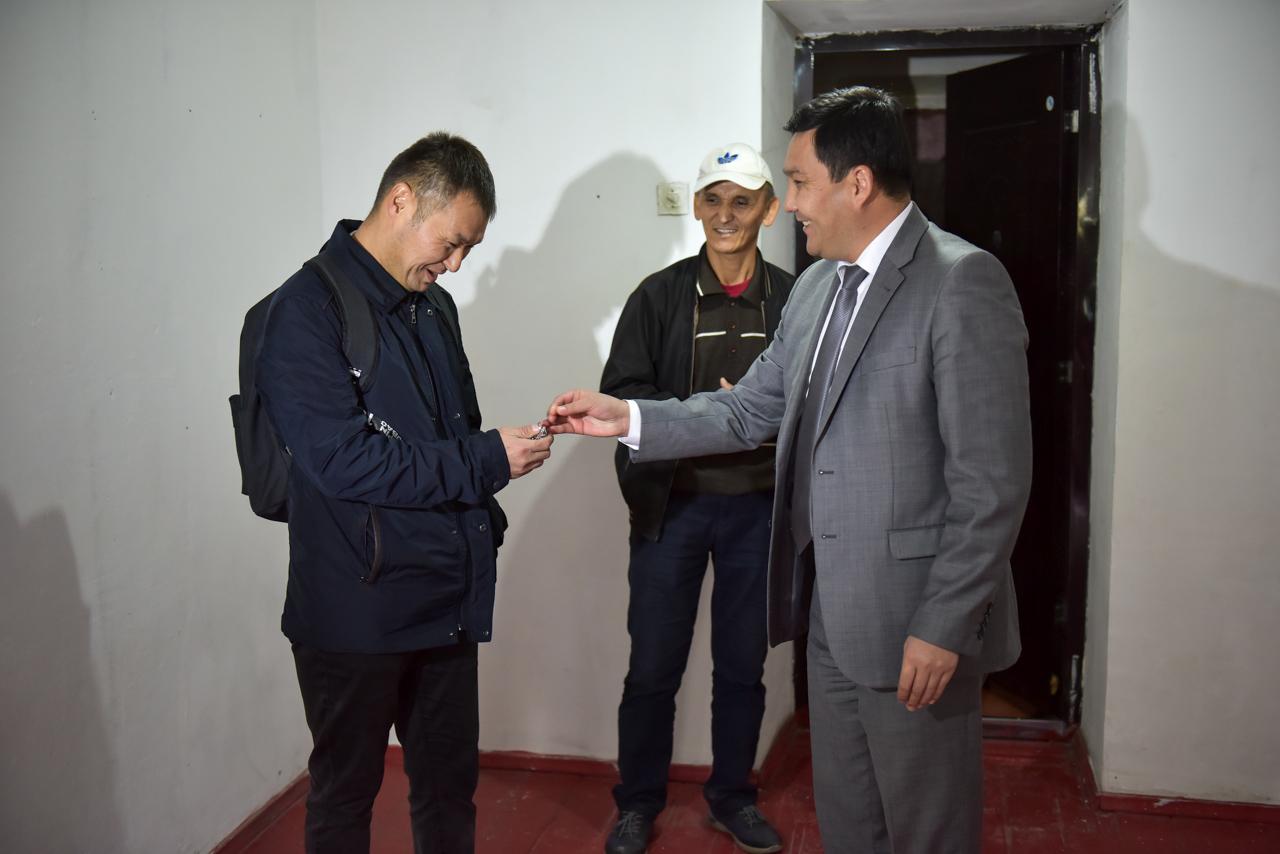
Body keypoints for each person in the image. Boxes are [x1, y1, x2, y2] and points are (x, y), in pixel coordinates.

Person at [545, 87, 1032, 854]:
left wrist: (943, 626)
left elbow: (992, 486)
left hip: (915, 625)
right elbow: (749, 409)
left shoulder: (961, 281)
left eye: (800, 182)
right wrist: (631, 417)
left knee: (926, 831)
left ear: (858, 183)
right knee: (851, 823)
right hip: (830, 619)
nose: (791, 204)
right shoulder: (815, 289)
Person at [257, 132, 552, 854]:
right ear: (400, 201)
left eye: (469, 249)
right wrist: (488, 459)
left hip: (443, 602)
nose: (455, 264)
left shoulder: (433, 306)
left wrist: (488, 466)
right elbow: (343, 462)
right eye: (451, 243)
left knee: (449, 790)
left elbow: (455, 431)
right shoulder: (303, 310)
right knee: (345, 796)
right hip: (353, 612)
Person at [599, 143, 794, 854]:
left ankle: (732, 797)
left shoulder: (797, 298)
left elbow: (816, 399)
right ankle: (637, 803)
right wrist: (705, 413)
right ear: (696, 207)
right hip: (672, 507)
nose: (724, 214)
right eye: (712, 199)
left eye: (741, 200)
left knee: (742, 667)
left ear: (769, 210)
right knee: (653, 667)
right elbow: (623, 397)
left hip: (759, 512)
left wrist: (759, 414)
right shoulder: (657, 296)